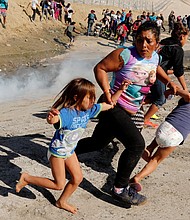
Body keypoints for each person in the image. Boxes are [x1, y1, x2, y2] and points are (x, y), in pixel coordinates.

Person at [72, 21, 177, 206]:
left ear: (157, 43)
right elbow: (100, 68)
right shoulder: (125, 54)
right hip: (114, 107)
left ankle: (66, 152)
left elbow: (156, 67)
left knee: (98, 142)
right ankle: (119, 188)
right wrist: (107, 93)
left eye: (148, 41)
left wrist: (169, 82)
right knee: (136, 145)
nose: (143, 45)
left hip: (132, 110)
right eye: (139, 40)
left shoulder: (154, 57)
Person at [16, 77, 119, 214]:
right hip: (57, 153)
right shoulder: (67, 113)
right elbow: (55, 120)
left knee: (77, 179)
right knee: (58, 185)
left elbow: (109, 104)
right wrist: (51, 118)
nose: (92, 101)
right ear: (77, 97)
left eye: (93, 97)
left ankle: (61, 202)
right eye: (89, 98)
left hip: (70, 152)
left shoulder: (90, 110)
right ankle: (27, 178)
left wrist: (121, 90)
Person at [130, 88, 190, 191]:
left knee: (161, 138)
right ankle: (137, 178)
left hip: (164, 127)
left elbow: (186, 94)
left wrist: (173, 90)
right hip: (176, 135)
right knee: (156, 160)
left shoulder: (186, 99)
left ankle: (149, 148)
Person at [144, 22, 189, 128]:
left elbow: (162, 62)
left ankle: (136, 103)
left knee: (155, 95)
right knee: (161, 98)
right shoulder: (177, 49)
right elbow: (179, 71)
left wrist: (170, 71)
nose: (186, 41)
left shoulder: (165, 42)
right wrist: (185, 89)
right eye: (186, 38)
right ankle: (145, 120)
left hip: (148, 68)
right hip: (157, 73)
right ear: (182, 36)